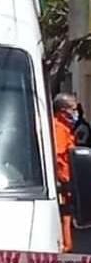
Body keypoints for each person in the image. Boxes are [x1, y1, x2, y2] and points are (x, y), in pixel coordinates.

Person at [52, 93, 78, 253]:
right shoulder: (59, 129)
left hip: (66, 183)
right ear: (62, 111)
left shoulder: (64, 128)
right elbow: (58, 157)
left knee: (67, 215)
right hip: (63, 183)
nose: (75, 113)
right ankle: (64, 248)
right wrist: (65, 181)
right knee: (64, 216)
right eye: (73, 110)